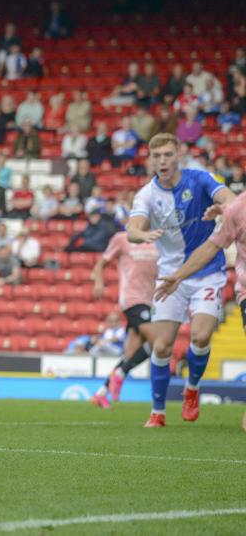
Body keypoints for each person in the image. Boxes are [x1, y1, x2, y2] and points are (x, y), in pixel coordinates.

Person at [127, 132, 236, 428]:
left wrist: (224, 207)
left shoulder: (200, 179)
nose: (162, 161)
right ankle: (158, 411)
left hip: (207, 271)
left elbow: (231, 199)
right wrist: (142, 234)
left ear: (178, 155)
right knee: (162, 346)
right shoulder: (147, 194)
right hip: (169, 276)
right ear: (151, 160)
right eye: (157, 156)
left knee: (200, 337)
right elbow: (132, 228)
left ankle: (192, 388)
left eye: (167, 155)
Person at [154, 190, 246, 430]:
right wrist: (178, 276)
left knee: (202, 336)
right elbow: (210, 248)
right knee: (176, 341)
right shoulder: (237, 209)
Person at [89, 231, 159, 408]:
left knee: (130, 354)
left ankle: (101, 393)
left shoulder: (159, 238)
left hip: (152, 301)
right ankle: (121, 373)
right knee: (159, 342)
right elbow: (101, 264)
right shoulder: (122, 238)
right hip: (133, 299)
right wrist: (98, 282)